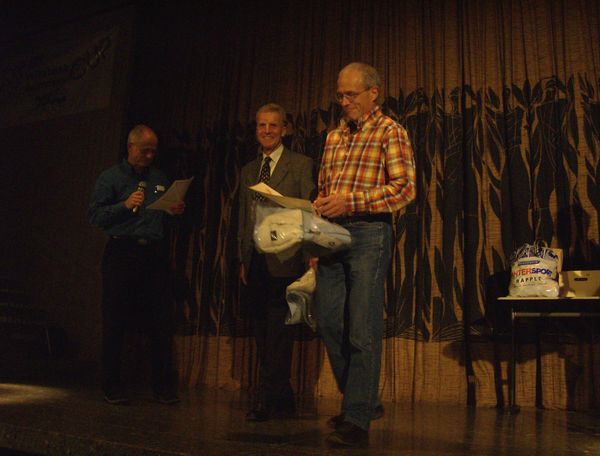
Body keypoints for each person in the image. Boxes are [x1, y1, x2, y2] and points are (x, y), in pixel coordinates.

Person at [313, 62, 416, 447]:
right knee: (328, 322)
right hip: (331, 234)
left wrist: (351, 202)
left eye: (351, 94)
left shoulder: (390, 131)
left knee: (362, 327)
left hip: (369, 234)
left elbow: (404, 189)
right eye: (340, 95)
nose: (344, 101)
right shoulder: (334, 136)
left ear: (374, 93)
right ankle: (364, 400)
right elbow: (326, 188)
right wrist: (319, 212)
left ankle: (356, 418)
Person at [88, 124, 185, 405]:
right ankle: (112, 384)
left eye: (154, 151)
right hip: (122, 252)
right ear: (131, 147)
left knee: (161, 321)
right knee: (115, 320)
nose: (150, 156)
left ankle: (162, 386)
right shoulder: (111, 178)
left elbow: (163, 211)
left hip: (153, 255)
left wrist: (173, 209)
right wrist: (123, 205)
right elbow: (94, 216)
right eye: (145, 151)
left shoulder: (159, 177)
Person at [238, 103, 315, 421]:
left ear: (285, 129)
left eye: (273, 125)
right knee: (261, 331)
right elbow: (243, 218)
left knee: (280, 334)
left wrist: (311, 255)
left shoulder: (301, 165)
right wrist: (242, 258)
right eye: (261, 125)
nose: (267, 131)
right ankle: (283, 397)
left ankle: (266, 398)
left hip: (287, 258)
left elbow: (309, 210)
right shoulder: (248, 170)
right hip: (256, 261)